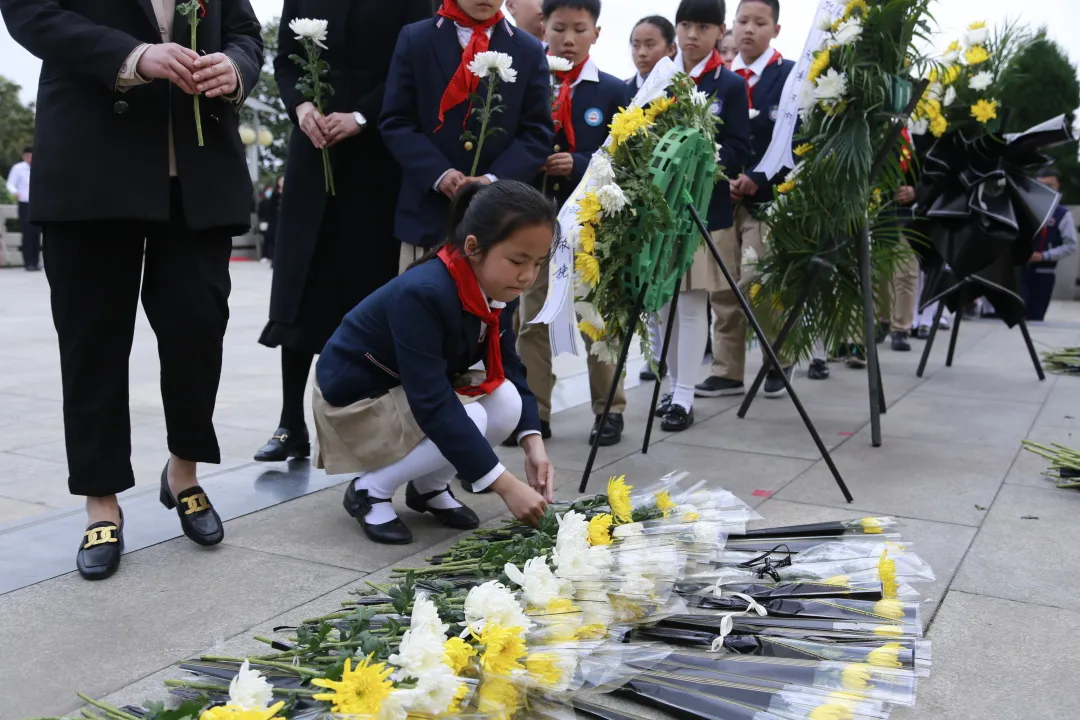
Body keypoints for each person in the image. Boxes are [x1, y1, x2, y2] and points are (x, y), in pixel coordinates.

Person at [1, 0, 261, 580]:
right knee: (94, 341)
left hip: (197, 173)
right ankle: (101, 500)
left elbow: (244, 29)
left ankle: (184, 470)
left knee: (198, 327)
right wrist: (136, 56)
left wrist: (236, 67)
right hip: (93, 166)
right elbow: (28, 12)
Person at [314, 181, 554, 544]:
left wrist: (533, 442)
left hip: (404, 388)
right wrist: (506, 485)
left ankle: (428, 487)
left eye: (537, 263)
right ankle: (369, 490)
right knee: (469, 415)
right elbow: (431, 401)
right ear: (473, 247)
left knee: (506, 401)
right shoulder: (424, 293)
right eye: (518, 261)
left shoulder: (496, 286)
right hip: (356, 401)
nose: (527, 276)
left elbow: (510, 367)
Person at [254, 0, 434, 464]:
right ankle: (289, 421)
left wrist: (360, 117)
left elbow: (411, 63)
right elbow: (285, 57)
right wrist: (302, 105)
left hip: (376, 154)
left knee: (365, 284)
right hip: (313, 148)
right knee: (301, 281)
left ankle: (368, 425)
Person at [514, 0, 631, 447]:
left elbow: (628, 160)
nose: (568, 39)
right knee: (533, 317)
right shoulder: (529, 84)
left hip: (591, 223)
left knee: (596, 317)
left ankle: (609, 408)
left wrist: (580, 162)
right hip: (534, 220)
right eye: (559, 28)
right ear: (543, 28)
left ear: (596, 33)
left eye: (579, 29)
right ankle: (535, 413)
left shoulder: (613, 91)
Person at [380, 0, 553, 275]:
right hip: (427, 215)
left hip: (500, 223)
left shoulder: (528, 49)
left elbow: (537, 133)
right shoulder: (416, 39)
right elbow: (396, 120)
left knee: (490, 313)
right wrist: (439, 174)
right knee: (420, 308)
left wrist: (492, 181)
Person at [655, 0, 750, 432]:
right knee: (661, 307)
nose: (692, 34)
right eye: (686, 24)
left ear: (720, 31)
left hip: (701, 210)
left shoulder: (727, 84)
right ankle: (674, 386)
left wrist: (698, 157)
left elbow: (737, 148)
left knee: (692, 303)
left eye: (704, 26)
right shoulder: (661, 76)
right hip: (657, 211)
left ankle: (685, 397)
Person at [696, 0, 794, 398]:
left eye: (760, 22)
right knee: (721, 287)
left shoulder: (789, 77)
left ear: (776, 28)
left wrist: (758, 176)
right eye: (742, 21)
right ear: (730, 26)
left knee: (757, 281)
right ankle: (727, 370)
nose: (749, 29)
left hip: (767, 200)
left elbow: (795, 141)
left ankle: (777, 359)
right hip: (722, 198)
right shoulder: (720, 78)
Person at [1023, 167, 1078, 320]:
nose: (1045, 190)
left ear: (1058, 185)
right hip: (1017, 270)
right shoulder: (1023, 208)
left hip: (1043, 273)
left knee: (1035, 319)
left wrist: (1044, 256)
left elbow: (1071, 244)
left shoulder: (1061, 213)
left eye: (1050, 186)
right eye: (1040, 185)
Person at [6, 146, 39, 271]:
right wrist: (15, 192)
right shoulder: (18, 168)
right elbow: (10, 183)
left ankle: (36, 262)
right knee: (27, 232)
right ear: (24, 156)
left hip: (37, 204)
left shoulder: (39, 166)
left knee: (37, 233)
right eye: (28, 156)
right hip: (25, 203)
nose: (30, 158)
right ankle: (28, 262)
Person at [627, 15, 677, 90]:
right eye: (636, 45)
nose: (641, 53)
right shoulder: (620, 90)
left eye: (649, 45)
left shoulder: (681, 90)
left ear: (670, 49)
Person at [257, 178, 281, 265]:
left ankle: (272, 256)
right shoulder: (263, 202)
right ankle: (265, 256)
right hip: (266, 223)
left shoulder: (276, 199)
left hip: (274, 222)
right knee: (266, 240)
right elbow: (260, 213)